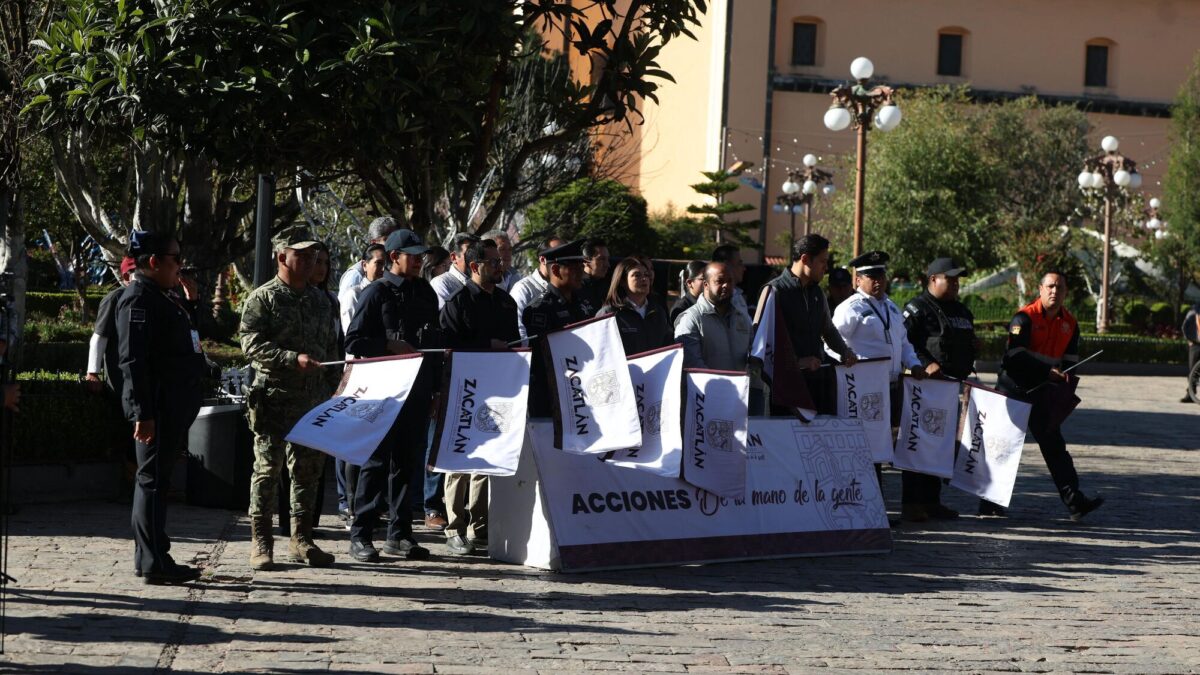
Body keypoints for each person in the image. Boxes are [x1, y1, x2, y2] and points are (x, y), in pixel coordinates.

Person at [239, 235, 341, 570]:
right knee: (267, 471)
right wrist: (288, 358)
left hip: (313, 401)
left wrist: (336, 388)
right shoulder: (263, 298)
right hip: (274, 398)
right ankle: (261, 541)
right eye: (303, 254)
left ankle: (302, 539)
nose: (312, 260)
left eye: (315, 254)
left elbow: (331, 349)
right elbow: (250, 344)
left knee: (308, 473)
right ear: (282, 257)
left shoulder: (323, 302)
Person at [344, 229, 443, 563]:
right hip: (383, 392)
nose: (417, 260)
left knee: (407, 465)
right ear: (393, 257)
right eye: (411, 254)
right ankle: (361, 535)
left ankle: (400, 535)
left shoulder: (427, 294)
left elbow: (435, 346)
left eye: (420, 255)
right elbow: (353, 342)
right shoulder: (376, 293)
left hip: (417, 391)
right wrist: (387, 345)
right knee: (375, 464)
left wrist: (436, 390)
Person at [117, 231, 206, 585]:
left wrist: (193, 304)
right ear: (153, 262)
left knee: (157, 480)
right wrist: (143, 412)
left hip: (171, 406)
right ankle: (154, 560)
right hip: (158, 408)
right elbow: (133, 362)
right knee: (151, 482)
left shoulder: (162, 297)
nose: (180, 267)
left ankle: (151, 556)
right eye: (175, 260)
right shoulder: (138, 299)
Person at [992, 271, 1104, 521]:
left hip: (1043, 393)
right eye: (1050, 286)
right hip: (1013, 389)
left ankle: (1075, 502)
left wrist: (1063, 387)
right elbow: (1014, 356)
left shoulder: (1071, 324)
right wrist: (1046, 371)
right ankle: (990, 503)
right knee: (1002, 447)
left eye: (1060, 288)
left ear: (1066, 292)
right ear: (1040, 289)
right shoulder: (1024, 317)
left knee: (1055, 448)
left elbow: (1071, 362)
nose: (1055, 291)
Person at [439, 239, 520, 556]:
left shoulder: (505, 302)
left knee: (486, 460)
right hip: (464, 392)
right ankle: (454, 528)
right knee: (459, 461)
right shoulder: (458, 303)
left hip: (498, 391)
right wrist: (488, 345)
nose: (500, 267)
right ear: (475, 266)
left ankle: (480, 528)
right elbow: (449, 348)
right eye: (493, 262)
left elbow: (514, 343)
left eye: (501, 262)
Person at [831, 251, 926, 519]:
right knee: (867, 447)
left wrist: (914, 363)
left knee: (892, 445)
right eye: (871, 276)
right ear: (857, 279)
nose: (878, 281)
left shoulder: (892, 307)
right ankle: (871, 509)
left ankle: (892, 506)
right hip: (864, 388)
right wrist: (847, 358)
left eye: (881, 275)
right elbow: (830, 342)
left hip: (893, 385)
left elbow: (904, 343)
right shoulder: (849, 308)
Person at [900, 257, 979, 522]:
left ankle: (932, 501)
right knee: (919, 443)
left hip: (951, 388)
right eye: (951, 278)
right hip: (925, 387)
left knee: (941, 446)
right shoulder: (917, 308)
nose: (956, 284)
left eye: (958, 279)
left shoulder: (961, 311)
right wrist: (924, 363)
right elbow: (904, 342)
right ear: (934, 279)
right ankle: (912, 502)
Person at [762, 234, 857, 415]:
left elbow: (827, 329)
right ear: (805, 259)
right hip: (784, 392)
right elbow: (763, 344)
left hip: (815, 384)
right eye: (822, 261)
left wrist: (844, 351)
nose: (826, 268)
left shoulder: (818, 293)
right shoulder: (774, 291)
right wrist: (797, 363)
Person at [522, 240, 592, 416]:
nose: (580, 272)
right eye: (574, 267)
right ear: (554, 270)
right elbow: (541, 360)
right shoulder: (540, 309)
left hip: (583, 390)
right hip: (552, 396)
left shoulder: (583, 302)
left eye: (581, 266)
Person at [674, 262, 754, 371]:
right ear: (706, 285)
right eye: (719, 281)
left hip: (741, 387)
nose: (726, 285)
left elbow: (753, 357)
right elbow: (692, 365)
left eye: (730, 281)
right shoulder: (690, 319)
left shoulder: (742, 317)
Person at [596, 257, 673, 356]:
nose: (644, 279)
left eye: (646, 275)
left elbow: (669, 345)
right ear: (622, 281)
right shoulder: (609, 314)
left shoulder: (658, 311)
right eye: (637, 275)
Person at [85, 256, 137, 396]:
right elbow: (99, 336)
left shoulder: (147, 297)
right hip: (121, 379)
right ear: (127, 276)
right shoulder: (115, 298)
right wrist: (93, 372)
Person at [511, 235, 564, 339]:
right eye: (558, 255)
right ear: (543, 260)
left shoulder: (569, 286)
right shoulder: (523, 289)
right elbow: (519, 330)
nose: (563, 261)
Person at [338, 216, 398, 294]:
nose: (396, 245)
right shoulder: (355, 276)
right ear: (374, 242)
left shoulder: (393, 270)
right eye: (390, 240)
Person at [338, 243, 388, 335]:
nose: (383, 269)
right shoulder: (354, 295)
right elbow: (351, 336)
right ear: (364, 265)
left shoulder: (388, 293)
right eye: (379, 263)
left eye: (386, 264)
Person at [430, 233, 480, 309]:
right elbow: (445, 318)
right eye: (470, 252)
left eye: (479, 252)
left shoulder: (484, 280)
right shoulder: (441, 283)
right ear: (453, 257)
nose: (475, 257)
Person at [711, 244, 750, 317]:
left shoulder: (738, 296)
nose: (744, 268)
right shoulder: (715, 298)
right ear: (727, 265)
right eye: (739, 263)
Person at [577, 238, 610, 314]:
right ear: (586, 261)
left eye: (607, 259)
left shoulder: (610, 286)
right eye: (602, 259)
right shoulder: (575, 289)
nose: (607, 265)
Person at [671, 260, 707, 325]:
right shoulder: (681, 308)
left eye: (709, 278)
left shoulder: (710, 303)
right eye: (703, 278)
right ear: (689, 283)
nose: (707, 282)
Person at [1182, 302, 1199, 403]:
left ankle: (1190, 394)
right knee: (1193, 370)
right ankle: (1190, 394)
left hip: (1195, 344)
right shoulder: (1194, 311)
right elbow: (1185, 326)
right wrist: (1189, 339)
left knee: (1194, 369)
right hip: (1196, 344)